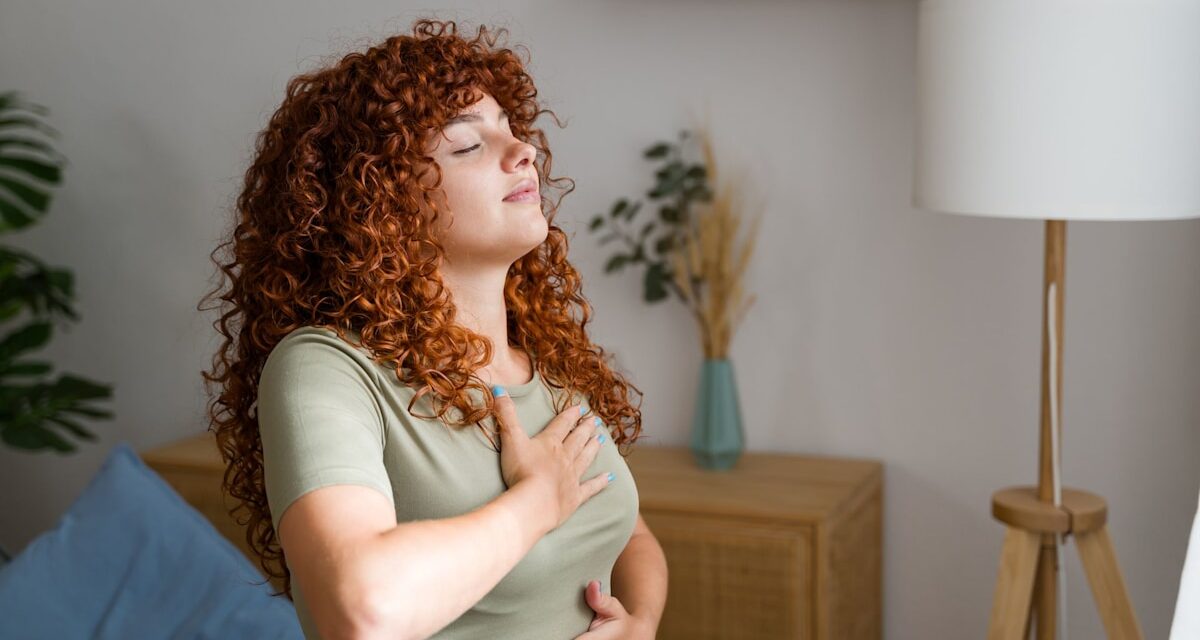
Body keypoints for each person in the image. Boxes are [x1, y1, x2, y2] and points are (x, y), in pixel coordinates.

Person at [198, 18, 668, 640]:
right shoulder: (326, 368)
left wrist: (641, 623)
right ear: (382, 203)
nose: (523, 151)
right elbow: (361, 610)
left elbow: (626, 530)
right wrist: (535, 503)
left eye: (509, 128)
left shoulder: (550, 369)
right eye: (467, 145)